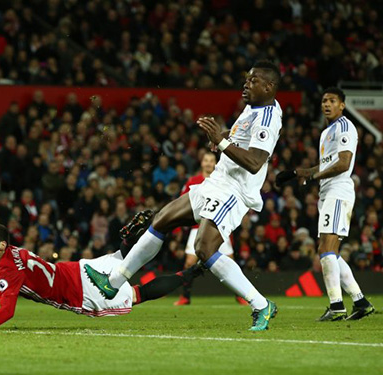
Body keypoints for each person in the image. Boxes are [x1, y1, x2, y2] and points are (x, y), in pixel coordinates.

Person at [85, 60, 283, 331]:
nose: (246, 84)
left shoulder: (268, 118)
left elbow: (255, 162)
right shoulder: (253, 108)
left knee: (204, 248)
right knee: (163, 218)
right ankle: (114, 282)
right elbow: (239, 138)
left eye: (253, 80)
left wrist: (222, 141)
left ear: (269, 86)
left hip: (234, 191)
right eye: (246, 79)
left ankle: (261, 304)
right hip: (218, 181)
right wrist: (221, 137)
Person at [0, 216, 201, 331]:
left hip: (79, 292)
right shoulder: (14, 254)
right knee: (123, 258)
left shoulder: (7, 269)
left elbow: (7, 311)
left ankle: (193, 271)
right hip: (79, 268)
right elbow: (6, 278)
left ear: (1, 246)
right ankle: (132, 239)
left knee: (138, 294)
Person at [276, 87, 375, 321]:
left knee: (325, 249)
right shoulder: (326, 132)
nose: (326, 104)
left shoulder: (344, 127)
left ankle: (336, 305)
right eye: (323, 101)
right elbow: (325, 165)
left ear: (342, 105)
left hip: (338, 191)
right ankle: (360, 302)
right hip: (327, 193)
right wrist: (297, 172)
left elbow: (343, 164)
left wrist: (311, 177)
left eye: (332, 101)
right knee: (331, 252)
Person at [174, 151, 236, 306]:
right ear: (201, 163)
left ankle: (240, 296)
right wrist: (178, 230)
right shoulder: (193, 181)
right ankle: (185, 297)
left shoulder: (222, 180)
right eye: (206, 160)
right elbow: (181, 203)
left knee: (230, 261)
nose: (208, 163)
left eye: (211, 160)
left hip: (218, 225)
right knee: (189, 262)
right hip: (197, 227)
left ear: (216, 163)